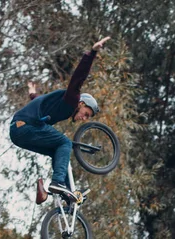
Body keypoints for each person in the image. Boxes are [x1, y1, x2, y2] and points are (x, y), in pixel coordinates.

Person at [10, 37, 111, 203]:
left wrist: (32, 93)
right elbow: (79, 77)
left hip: (18, 133)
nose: (83, 118)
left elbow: (40, 101)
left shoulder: (60, 106)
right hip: (26, 126)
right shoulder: (72, 99)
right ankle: (57, 183)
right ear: (82, 103)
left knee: (55, 152)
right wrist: (92, 53)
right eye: (86, 113)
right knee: (65, 143)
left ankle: (66, 192)